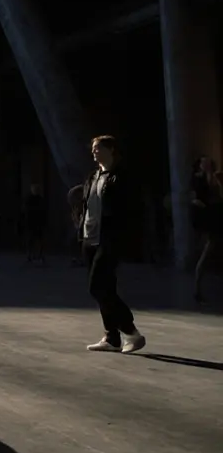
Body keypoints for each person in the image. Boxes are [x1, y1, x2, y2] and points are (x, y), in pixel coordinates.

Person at [81, 136, 145, 354]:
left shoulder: (121, 177)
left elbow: (130, 208)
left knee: (96, 286)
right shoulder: (93, 176)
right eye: (93, 149)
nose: (94, 153)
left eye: (98, 149)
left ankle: (130, 331)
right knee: (105, 289)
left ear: (111, 150)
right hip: (89, 237)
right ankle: (112, 337)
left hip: (110, 238)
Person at [190, 156, 222, 304]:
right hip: (210, 220)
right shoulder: (199, 179)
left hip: (215, 217)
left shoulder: (215, 178)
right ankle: (197, 289)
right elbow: (196, 199)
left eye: (208, 162)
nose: (206, 164)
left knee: (210, 252)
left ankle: (199, 289)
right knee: (207, 252)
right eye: (203, 162)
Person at [23, 183, 46, 265]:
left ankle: (40, 255)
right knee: (30, 240)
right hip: (31, 223)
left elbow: (43, 211)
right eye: (34, 189)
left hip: (38, 222)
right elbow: (27, 211)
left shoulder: (40, 199)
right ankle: (30, 255)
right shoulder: (29, 199)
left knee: (40, 240)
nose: (35, 191)